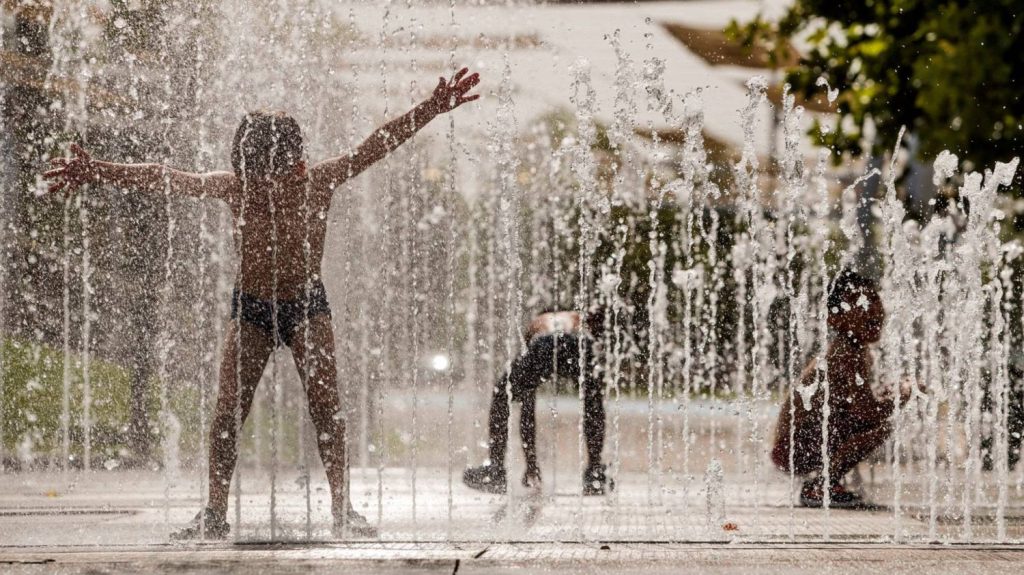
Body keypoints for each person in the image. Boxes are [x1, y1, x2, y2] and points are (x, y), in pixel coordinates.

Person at [44, 68, 481, 539]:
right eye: (254, 181)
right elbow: (165, 177)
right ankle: (214, 513)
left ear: (296, 166)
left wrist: (432, 108)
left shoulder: (318, 181)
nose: (264, 193)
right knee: (226, 411)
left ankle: (342, 509)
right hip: (251, 308)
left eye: (272, 180)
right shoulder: (236, 187)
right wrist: (97, 170)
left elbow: (376, 144)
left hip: (306, 306)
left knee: (327, 406)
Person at [770, 269, 905, 508]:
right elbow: (865, 414)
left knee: (864, 423)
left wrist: (884, 397)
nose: (872, 308)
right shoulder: (845, 354)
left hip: (798, 442)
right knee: (878, 428)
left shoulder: (855, 350)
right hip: (793, 447)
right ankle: (820, 487)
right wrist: (899, 397)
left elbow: (856, 406)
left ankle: (827, 483)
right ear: (834, 318)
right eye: (859, 303)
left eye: (874, 299)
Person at [463, 307, 612, 496]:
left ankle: (496, 469)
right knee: (593, 402)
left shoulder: (538, 323)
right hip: (579, 345)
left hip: (545, 344)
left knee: (502, 394)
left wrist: (531, 464)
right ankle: (595, 472)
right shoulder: (575, 318)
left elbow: (528, 411)